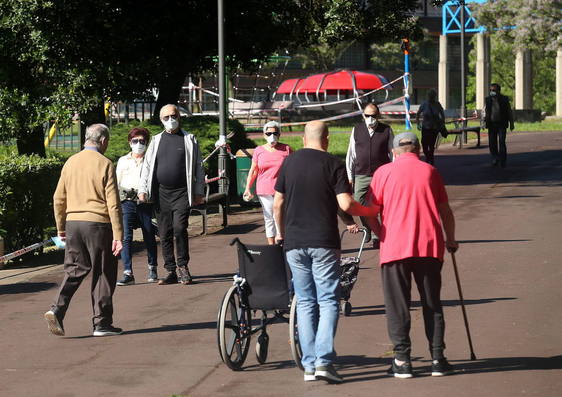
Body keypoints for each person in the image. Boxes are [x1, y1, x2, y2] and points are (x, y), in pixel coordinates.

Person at [273, 121, 378, 384]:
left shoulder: (289, 162)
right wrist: (370, 212)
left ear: (303, 138)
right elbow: (345, 203)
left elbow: (277, 203)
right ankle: (323, 362)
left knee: (305, 302)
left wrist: (281, 231)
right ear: (327, 138)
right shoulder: (333, 163)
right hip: (323, 241)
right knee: (329, 301)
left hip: (294, 243)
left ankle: (309, 366)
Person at [366, 132, 458, 378]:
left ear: (394, 152)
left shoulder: (383, 173)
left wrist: (380, 233)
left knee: (398, 306)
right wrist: (451, 239)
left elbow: (369, 212)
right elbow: (445, 211)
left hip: (395, 247)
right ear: (417, 149)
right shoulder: (430, 171)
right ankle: (438, 358)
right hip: (428, 246)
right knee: (432, 303)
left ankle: (402, 360)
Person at [45, 123, 124, 337]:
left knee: (74, 269)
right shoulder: (105, 163)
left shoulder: (70, 162)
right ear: (103, 141)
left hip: (73, 223)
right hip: (98, 224)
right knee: (103, 272)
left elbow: (58, 198)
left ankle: (56, 309)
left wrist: (61, 227)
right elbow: (113, 204)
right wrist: (119, 235)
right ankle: (102, 323)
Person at [138, 104, 205, 285]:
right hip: (161, 194)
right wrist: (142, 189)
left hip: (182, 192)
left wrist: (199, 191)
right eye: (166, 117)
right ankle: (170, 270)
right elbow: (147, 167)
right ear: (161, 120)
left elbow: (199, 166)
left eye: (173, 116)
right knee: (164, 232)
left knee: (179, 228)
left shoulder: (189, 139)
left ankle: (183, 266)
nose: (170, 120)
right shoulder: (156, 140)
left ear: (179, 117)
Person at [345, 102, 393, 248]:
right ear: (363, 116)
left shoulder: (386, 130)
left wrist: (393, 172)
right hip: (361, 174)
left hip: (381, 174)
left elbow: (392, 153)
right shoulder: (357, 130)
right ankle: (368, 228)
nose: (370, 119)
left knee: (381, 204)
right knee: (358, 202)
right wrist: (350, 176)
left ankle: (377, 234)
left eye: (373, 116)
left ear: (377, 115)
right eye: (367, 116)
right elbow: (351, 154)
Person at [115, 127, 159, 286]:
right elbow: (116, 183)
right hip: (127, 202)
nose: (138, 144)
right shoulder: (122, 161)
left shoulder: (151, 160)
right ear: (129, 142)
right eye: (135, 141)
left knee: (149, 234)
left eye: (142, 141)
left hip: (145, 202)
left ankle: (152, 267)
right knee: (126, 237)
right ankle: (127, 272)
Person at [243, 121, 292, 244]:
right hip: (264, 190)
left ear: (279, 134)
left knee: (281, 216)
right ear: (264, 135)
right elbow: (253, 171)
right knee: (269, 217)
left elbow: (294, 168)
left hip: (282, 190)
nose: (272, 136)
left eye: (275, 133)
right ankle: (272, 245)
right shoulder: (259, 150)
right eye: (269, 133)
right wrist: (247, 188)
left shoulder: (286, 149)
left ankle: (283, 241)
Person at [484, 83, 514, 168]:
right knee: (492, 143)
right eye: (490, 90)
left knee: (501, 142)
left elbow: (509, 111)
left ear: (498, 91)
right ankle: (495, 157)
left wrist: (511, 123)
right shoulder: (488, 99)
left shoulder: (504, 99)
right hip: (491, 124)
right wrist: (485, 122)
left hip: (502, 123)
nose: (491, 92)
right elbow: (486, 111)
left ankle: (503, 160)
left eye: (493, 90)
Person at [416, 88, 445, 165]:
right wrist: (418, 123)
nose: (431, 97)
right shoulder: (424, 104)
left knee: (431, 145)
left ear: (434, 96)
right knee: (424, 144)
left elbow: (442, 114)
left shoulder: (437, 104)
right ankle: (429, 157)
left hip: (434, 128)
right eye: (430, 96)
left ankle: (430, 161)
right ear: (428, 96)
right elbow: (418, 114)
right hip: (425, 127)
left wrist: (442, 123)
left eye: (432, 96)